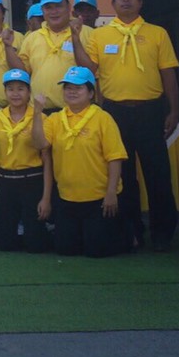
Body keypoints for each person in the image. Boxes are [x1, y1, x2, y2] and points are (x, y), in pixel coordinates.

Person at [79, 0, 179, 253]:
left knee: (158, 174)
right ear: (112, 2)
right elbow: (88, 70)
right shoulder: (100, 35)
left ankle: (162, 234)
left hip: (150, 111)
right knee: (122, 176)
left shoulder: (157, 33)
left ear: (141, 1)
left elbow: (168, 74)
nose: (126, 0)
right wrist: (75, 38)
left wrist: (174, 110)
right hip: (115, 112)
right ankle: (131, 232)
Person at [44, 65, 127, 258]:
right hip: (67, 198)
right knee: (65, 250)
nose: (72, 92)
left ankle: (127, 235)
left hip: (98, 198)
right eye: (68, 87)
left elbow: (115, 158)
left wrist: (111, 193)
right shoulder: (55, 119)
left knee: (97, 251)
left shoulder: (103, 118)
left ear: (91, 93)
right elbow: (41, 144)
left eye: (78, 88)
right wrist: (38, 110)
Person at [0, 68, 52, 253]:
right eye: (10, 89)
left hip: (32, 179)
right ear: (5, 92)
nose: (15, 93)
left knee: (36, 245)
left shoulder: (42, 117)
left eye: (21, 89)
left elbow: (45, 157)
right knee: (6, 244)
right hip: (6, 181)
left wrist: (46, 198)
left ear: (29, 92)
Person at [22, 0, 91, 113]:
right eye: (48, 7)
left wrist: (75, 38)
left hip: (77, 112)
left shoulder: (88, 33)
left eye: (58, 6)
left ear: (68, 7)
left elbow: (93, 72)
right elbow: (23, 73)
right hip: (40, 111)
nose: (54, 12)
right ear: (42, 10)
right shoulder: (32, 38)